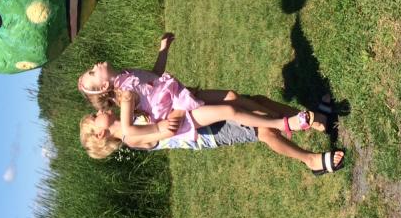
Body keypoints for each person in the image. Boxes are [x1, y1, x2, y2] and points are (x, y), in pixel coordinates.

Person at [77, 33, 326, 143]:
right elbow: (130, 130)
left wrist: (163, 50)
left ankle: (295, 118)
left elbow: (155, 75)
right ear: (104, 86)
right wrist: (158, 128)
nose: (95, 66)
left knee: (233, 97)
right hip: (177, 113)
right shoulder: (125, 95)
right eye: (92, 73)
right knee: (230, 111)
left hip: (180, 95)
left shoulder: (126, 76)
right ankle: (283, 123)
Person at [78, 99, 345, 176]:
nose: (98, 111)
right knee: (263, 131)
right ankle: (311, 161)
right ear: (100, 133)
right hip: (203, 132)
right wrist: (178, 104)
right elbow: (169, 127)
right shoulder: (131, 138)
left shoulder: (131, 116)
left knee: (256, 103)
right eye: (94, 116)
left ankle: (313, 120)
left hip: (199, 113)